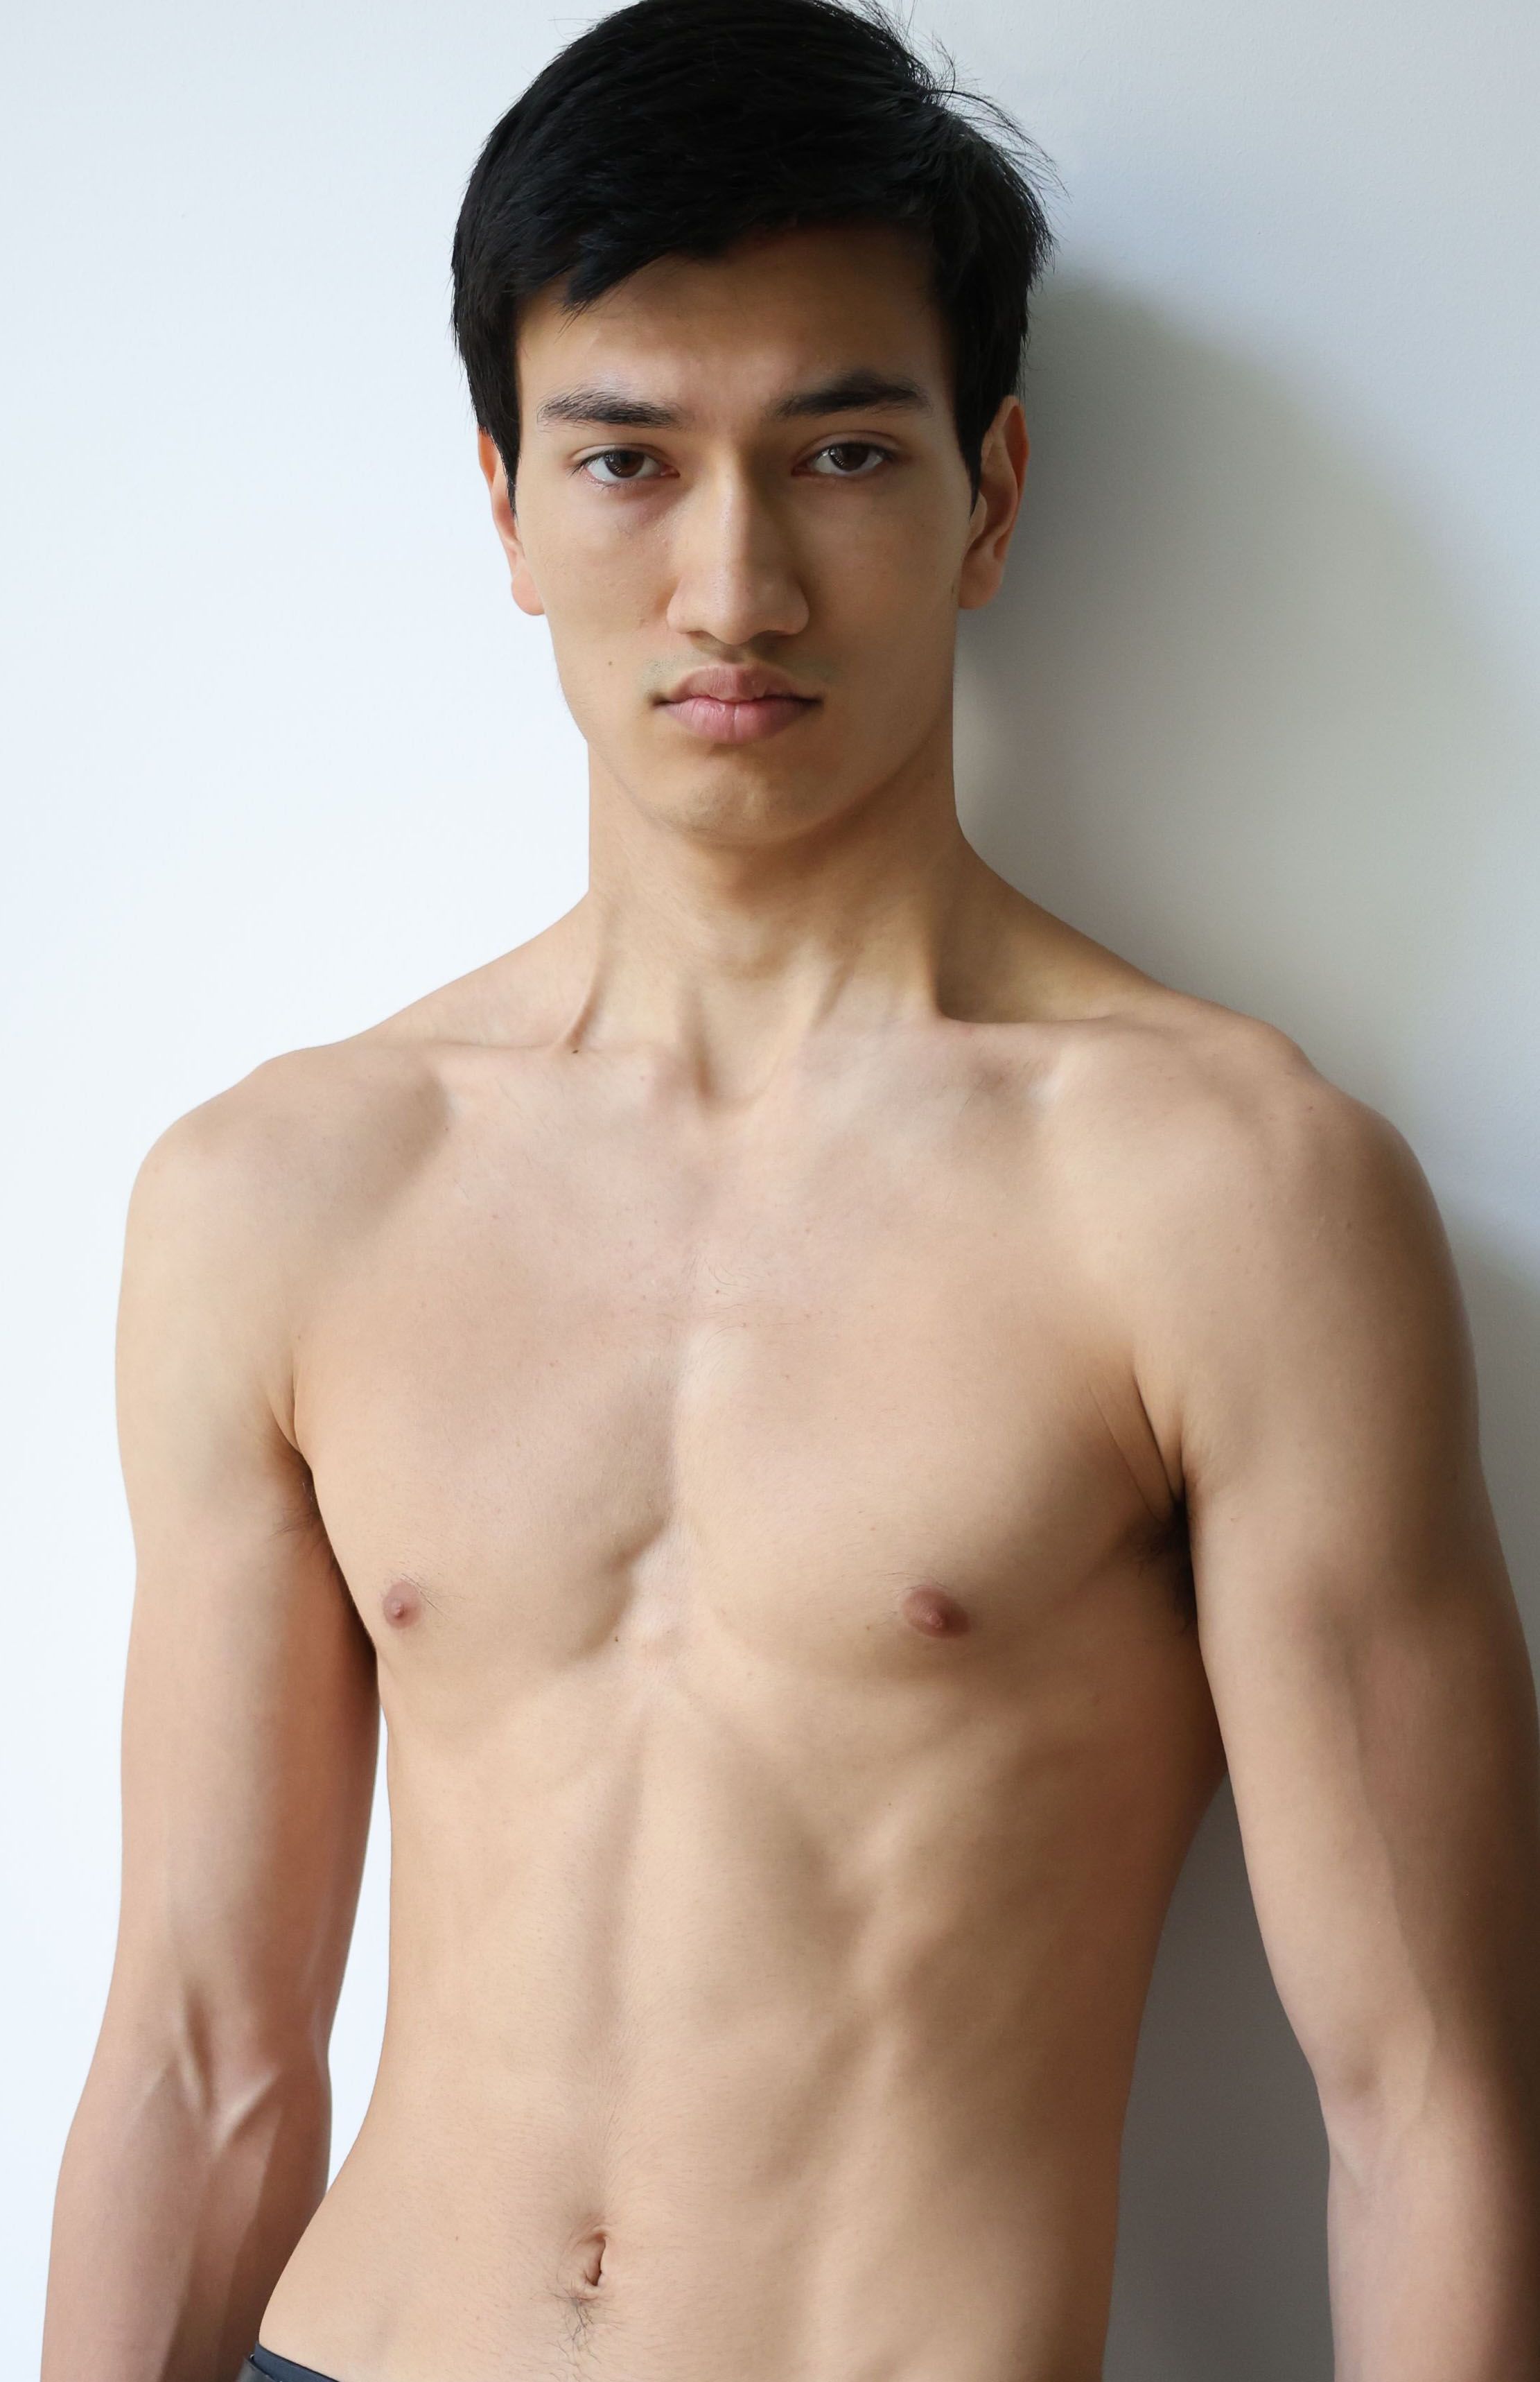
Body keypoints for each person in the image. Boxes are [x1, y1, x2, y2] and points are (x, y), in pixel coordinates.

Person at [41, 1, 1540, 2376]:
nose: (734, 584)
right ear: (507, 508)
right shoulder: (282, 1190)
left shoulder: (1224, 1193)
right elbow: (203, 2055)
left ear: (991, 493)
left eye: (841, 452)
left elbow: (1429, 2097)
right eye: (628, 460)